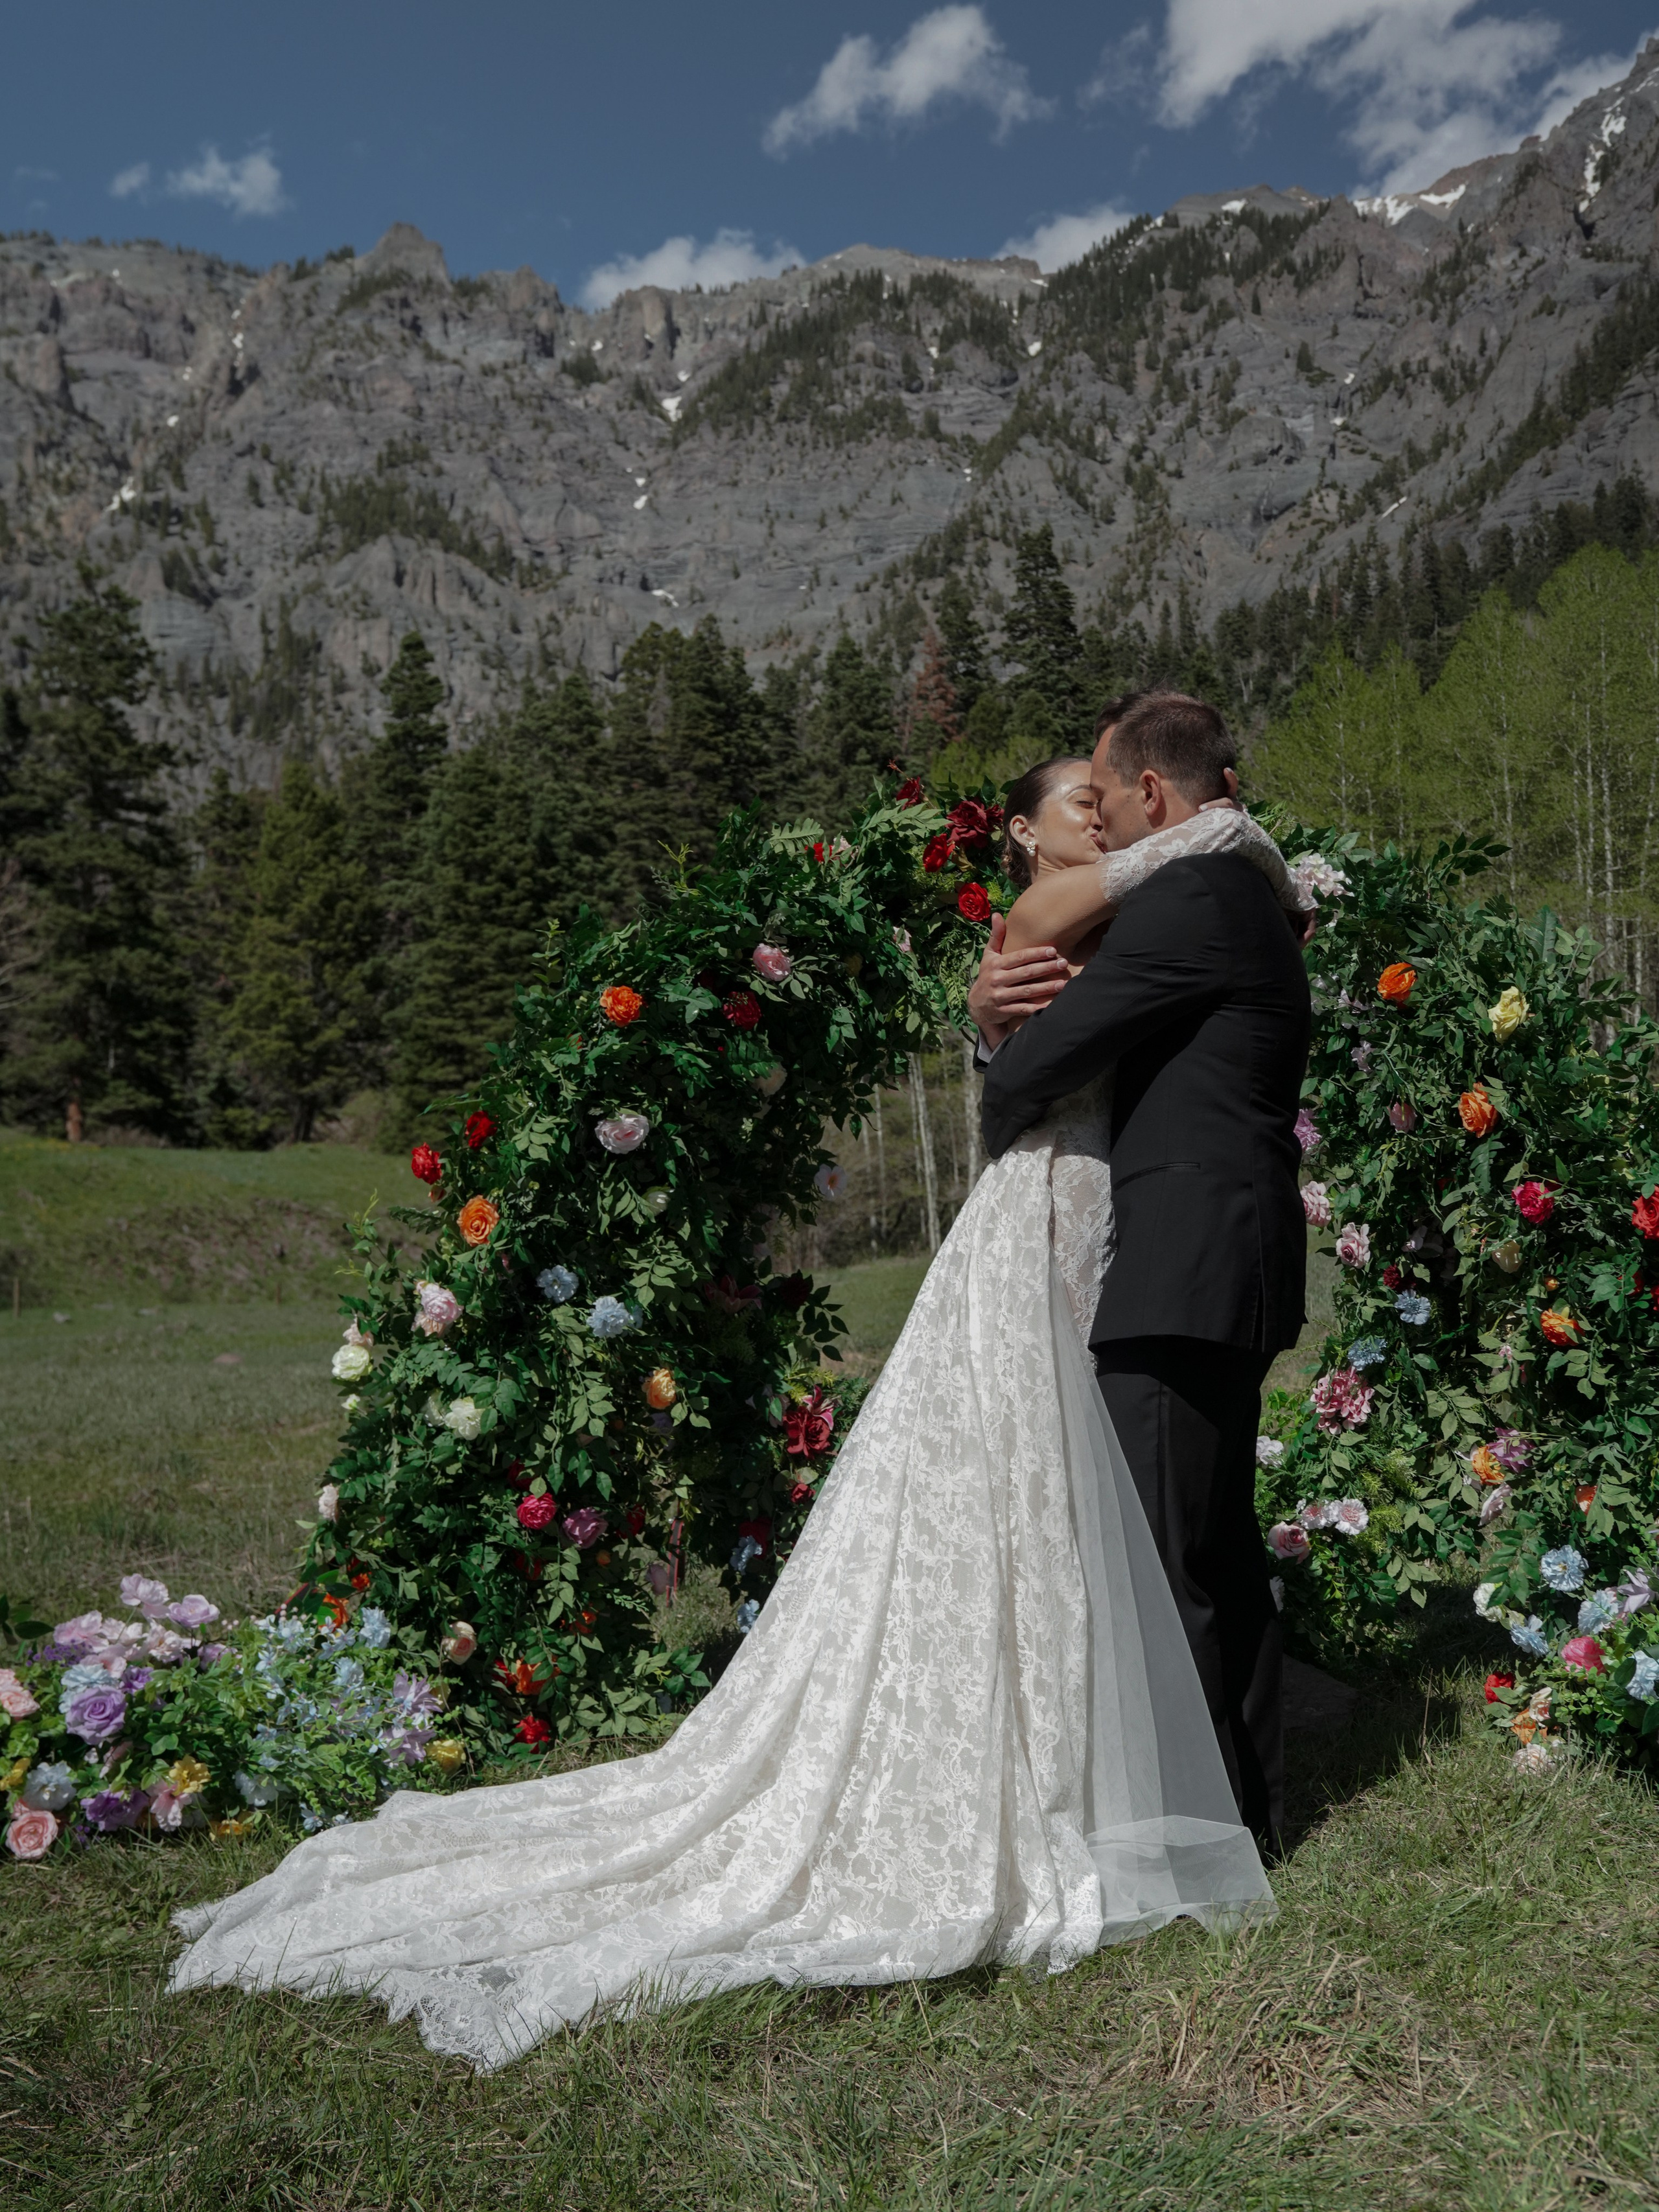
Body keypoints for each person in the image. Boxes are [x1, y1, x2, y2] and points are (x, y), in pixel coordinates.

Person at [168, 752, 1295, 2073]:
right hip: (1042, 1207)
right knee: (1012, 1478)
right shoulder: (1057, 923)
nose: (1100, 823)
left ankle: (1099, 1753)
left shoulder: (1127, 915)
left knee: (1055, 1493)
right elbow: (1028, 1061)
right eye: (1075, 809)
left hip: (1094, 1217)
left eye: (1111, 807)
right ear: (1024, 836)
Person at [980, 693, 1315, 1856]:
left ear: (1155, 795)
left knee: (1159, 1558)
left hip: (1184, 1255)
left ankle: (1190, 1837)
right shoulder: (1245, 889)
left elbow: (1052, 1057)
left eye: (1112, 799)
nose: (1110, 825)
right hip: (1232, 1243)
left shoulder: (1194, 893)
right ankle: (1254, 1819)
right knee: (1216, 1544)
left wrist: (998, 1051)